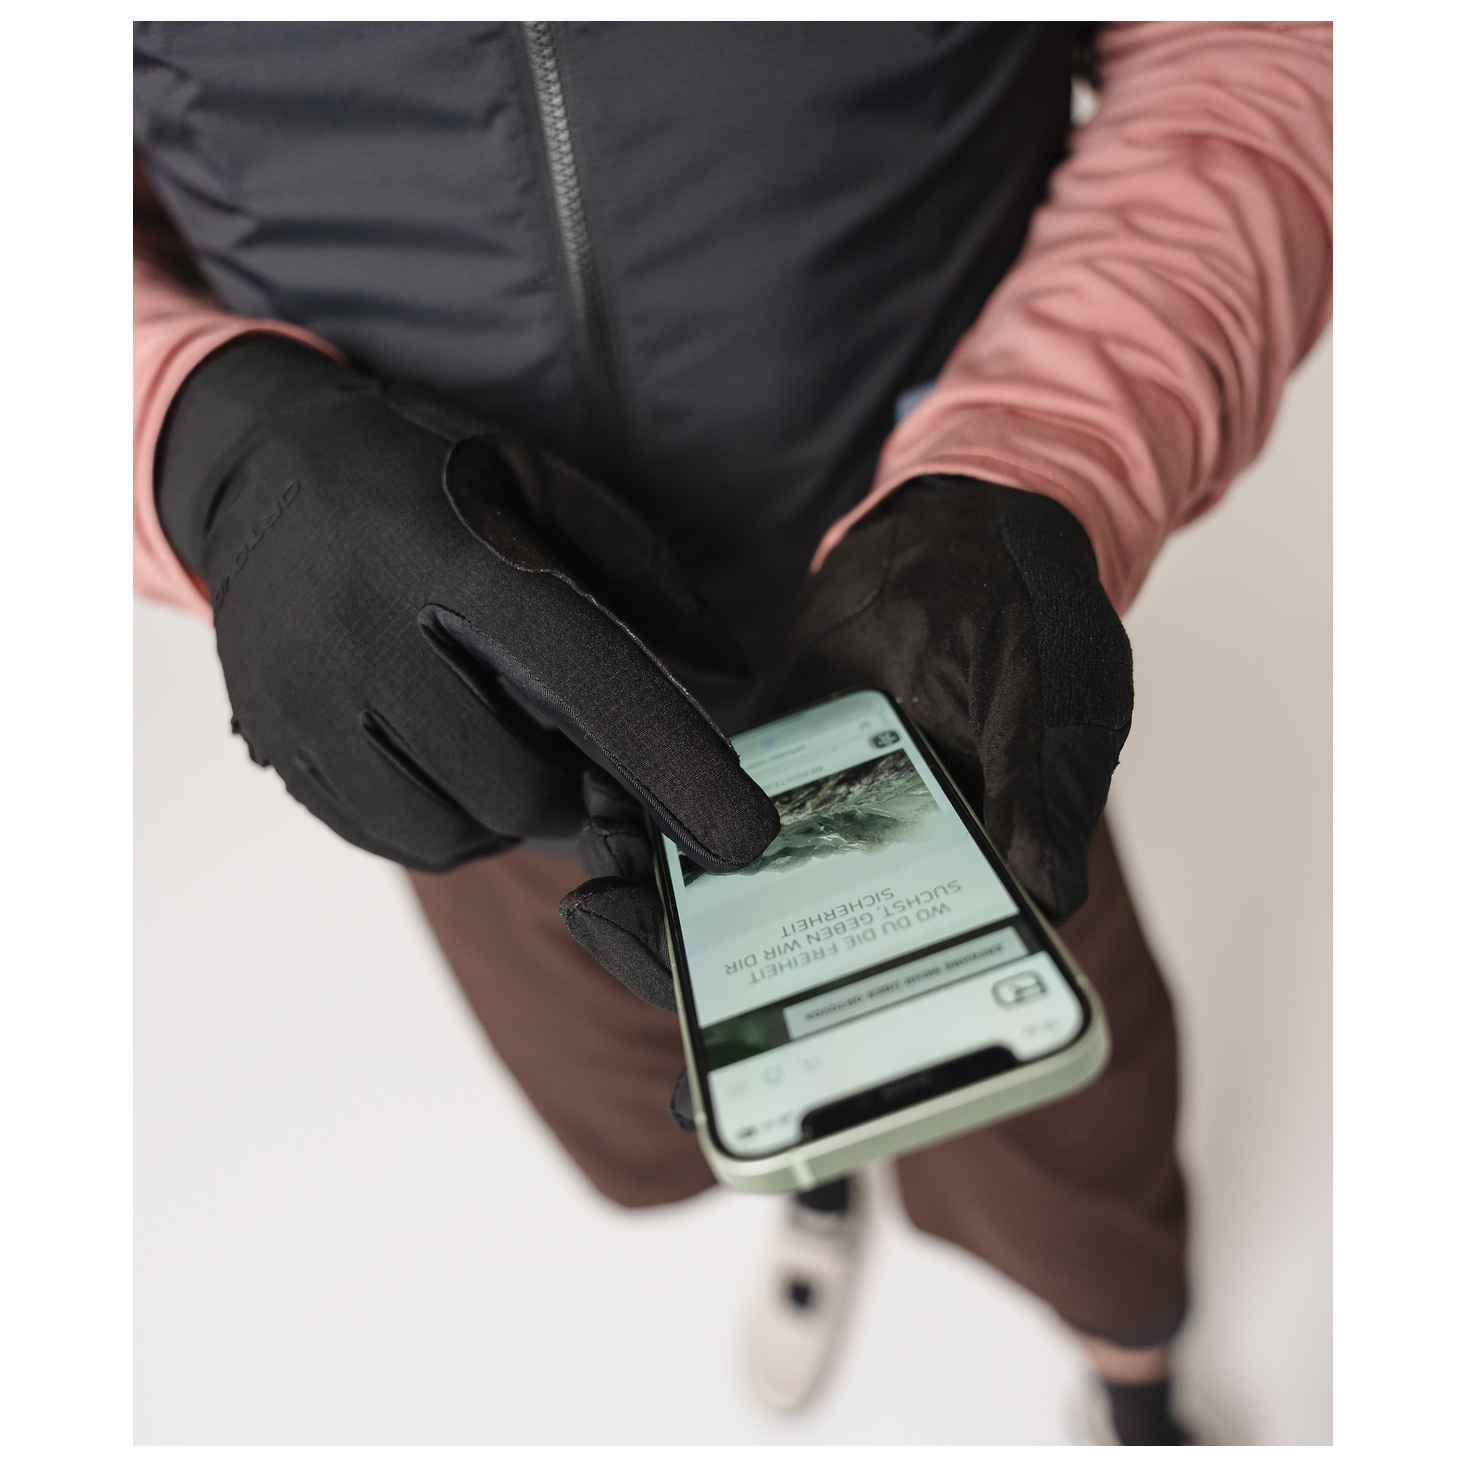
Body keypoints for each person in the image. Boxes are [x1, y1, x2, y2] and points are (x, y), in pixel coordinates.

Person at [133, 20, 1332, 1446]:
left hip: (935, 645)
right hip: (483, 696)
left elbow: (1258, 50)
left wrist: (1047, 440)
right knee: (663, 1081)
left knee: (1074, 1159)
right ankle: (817, 1175)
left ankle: (1135, 1379)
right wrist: (198, 435)